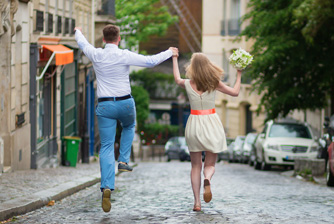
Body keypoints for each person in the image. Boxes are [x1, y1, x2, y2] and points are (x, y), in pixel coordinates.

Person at [74, 25, 178, 213]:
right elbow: (151, 61)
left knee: (106, 146)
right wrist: (169, 52)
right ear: (119, 38)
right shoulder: (124, 54)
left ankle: (106, 186)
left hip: (105, 105)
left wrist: (77, 30)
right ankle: (123, 161)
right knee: (130, 126)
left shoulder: (96, 54)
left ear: (103, 39)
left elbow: (82, 43)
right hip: (125, 103)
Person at [172, 52, 242, 211]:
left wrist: (174, 58)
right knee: (209, 164)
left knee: (195, 166)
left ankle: (197, 202)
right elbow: (235, 92)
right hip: (211, 122)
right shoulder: (214, 83)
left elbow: (177, 78)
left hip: (194, 123)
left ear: (193, 67)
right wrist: (238, 74)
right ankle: (207, 178)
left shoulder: (188, 84)